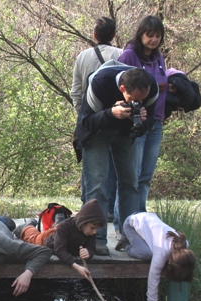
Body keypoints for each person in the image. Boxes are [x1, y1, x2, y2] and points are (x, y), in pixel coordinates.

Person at [76, 63, 159, 255]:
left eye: (141, 100)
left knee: (130, 182)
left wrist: (144, 124)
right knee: (98, 185)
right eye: (132, 100)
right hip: (98, 132)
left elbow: (153, 120)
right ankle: (96, 239)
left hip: (126, 133)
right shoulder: (100, 83)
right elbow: (86, 123)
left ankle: (129, 237)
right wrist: (111, 114)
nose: (137, 103)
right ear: (122, 89)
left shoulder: (151, 86)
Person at [117, 15, 168, 216]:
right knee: (132, 175)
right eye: (150, 35)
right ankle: (125, 221)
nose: (153, 40)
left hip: (155, 121)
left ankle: (140, 215)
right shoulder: (129, 56)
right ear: (141, 34)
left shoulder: (159, 58)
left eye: (157, 36)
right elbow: (120, 86)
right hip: (135, 122)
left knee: (146, 175)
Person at [71, 17, 122, 211]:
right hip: (117, 117)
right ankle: (109, 210)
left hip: (90, 116)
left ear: (94, 35)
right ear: (114, 35)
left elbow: (75, 90)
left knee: (91, 167)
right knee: (114, 167)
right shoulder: (121, 54)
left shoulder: (83, 56)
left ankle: (89, 209)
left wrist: (81, 114)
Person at [120, 212, 195, 301]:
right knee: (146, 254)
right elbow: (153, 278)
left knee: (150, 251)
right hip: (132, 224)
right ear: (169, 261)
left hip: (150, 219)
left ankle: (140, 241)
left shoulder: (184, 246)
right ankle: (126, 244)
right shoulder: (161, 253)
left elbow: (186, 266)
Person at [15, 199, 106, 279]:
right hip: (49, 240)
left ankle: (56, 223)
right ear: (84, 222)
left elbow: (91, 247)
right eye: (92, 228)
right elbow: (60, 250)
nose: (95, 232)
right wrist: (77, 267)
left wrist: (88, 252)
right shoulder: (65, 227)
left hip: (61, 235)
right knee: (33, 238)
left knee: (58, 229)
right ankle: (27, 226)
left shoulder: (90, 230)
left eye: (96, 229)